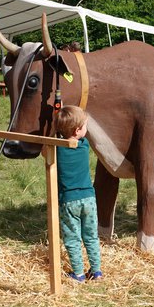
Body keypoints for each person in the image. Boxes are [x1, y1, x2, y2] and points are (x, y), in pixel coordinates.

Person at [55, 105, 102, 282]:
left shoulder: (57, 150)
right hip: (89, 199)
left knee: (73, 239)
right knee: (91, 236)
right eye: (85, 125)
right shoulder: (84, 146)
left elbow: (48, 151)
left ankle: (79, 273)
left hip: (69, 201)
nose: (86, 129)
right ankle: (96, 271)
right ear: (77, 130)